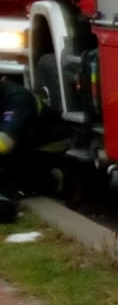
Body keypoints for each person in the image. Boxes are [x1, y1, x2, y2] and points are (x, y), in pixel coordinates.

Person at [0, 76, 77, 222]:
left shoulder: (17, 98)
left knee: (15, 179)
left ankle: (60, 179)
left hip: (49, 142)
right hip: (22, 141)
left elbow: (5, 142)